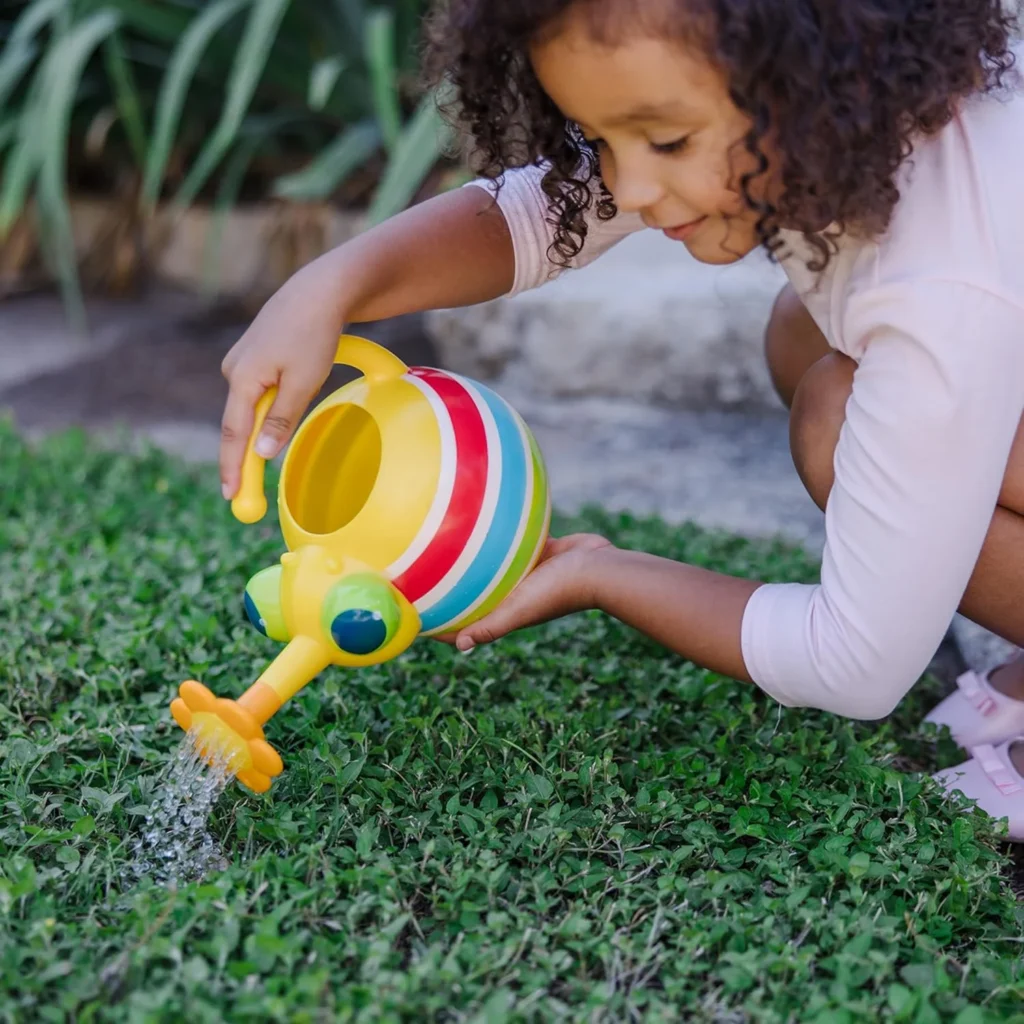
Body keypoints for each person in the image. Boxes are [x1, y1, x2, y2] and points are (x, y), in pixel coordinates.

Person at [217, 0, 1024, 836]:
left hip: (969, 318)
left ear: (819, 78)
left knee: (836, 418)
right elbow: (538, 217)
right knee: (804, 332)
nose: (630, 188)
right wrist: (329, 287)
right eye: (600, 140)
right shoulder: (858, 123)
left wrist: (604, 574)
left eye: (667, 142)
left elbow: (855, 664)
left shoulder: (942, 287)